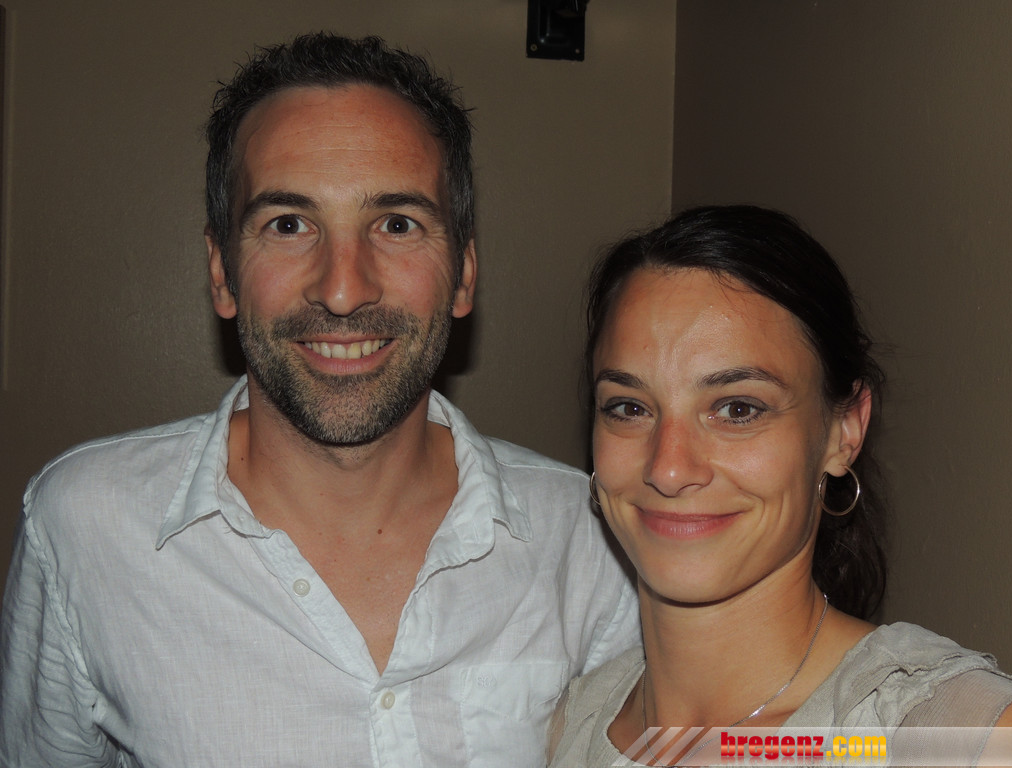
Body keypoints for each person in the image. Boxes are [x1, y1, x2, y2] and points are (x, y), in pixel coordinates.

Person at [0, 33, 638, 767]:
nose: (342, 288)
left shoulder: (590, 542)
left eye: (396, 224)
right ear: (222, 272)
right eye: (288, 224)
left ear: (464, 274)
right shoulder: (83, 528)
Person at [548, 205, 1012, 766]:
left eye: (738, 408)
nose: (668, 468)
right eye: (629, 408)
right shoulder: (574, 724)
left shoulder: (960, 740)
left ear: (844, 431)